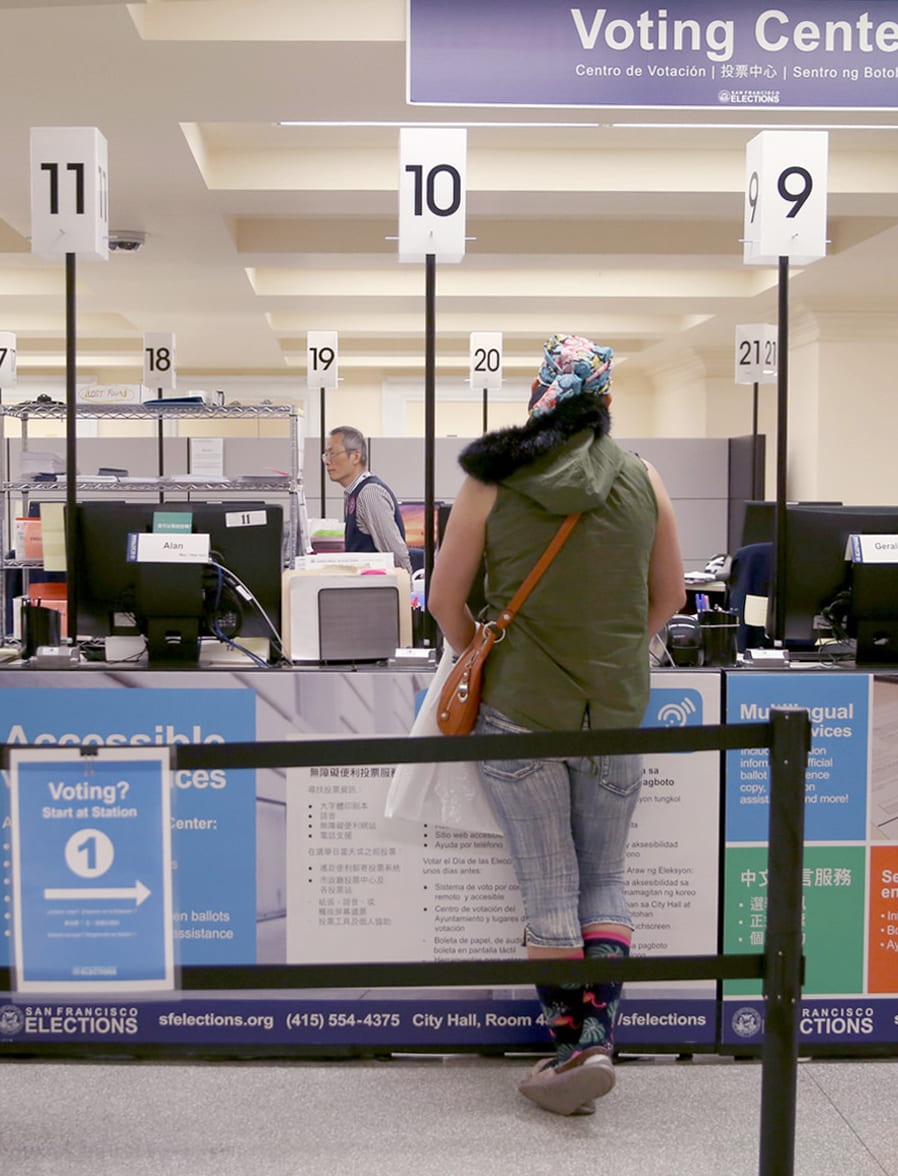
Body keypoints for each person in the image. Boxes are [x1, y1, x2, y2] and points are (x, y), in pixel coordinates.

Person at [428, 334, 682, 1116]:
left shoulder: (490, 480)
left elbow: (442, 600)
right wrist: (612, 653)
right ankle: (598, 1037)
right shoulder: (645, 479)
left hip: (520, 715)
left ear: (538, 395)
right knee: (605, 877)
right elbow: (670, 598)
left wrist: (484, 648)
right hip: (614, 716)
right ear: (605, 401)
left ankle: (570, 1048)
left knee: (549, 885)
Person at [323, 425, 411, 573]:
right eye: (326, 455)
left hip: (380, 592)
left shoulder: (369, 493)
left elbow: (395, 555)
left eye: (333, 454)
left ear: (356, 456)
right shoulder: (354, 493)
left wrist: (406, 591)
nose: (327, 461)